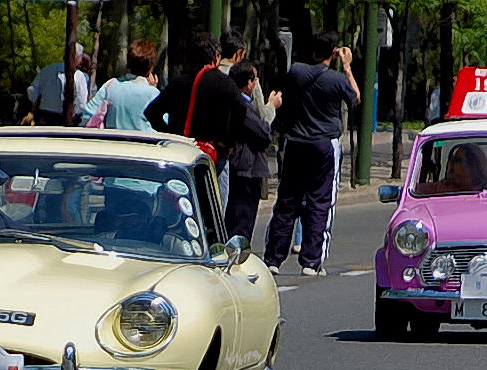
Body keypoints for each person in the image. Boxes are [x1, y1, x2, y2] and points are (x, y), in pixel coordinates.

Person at [262, 31, 360, 277]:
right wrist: (347, 67)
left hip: (296, 142)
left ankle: (273, 258)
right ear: (334, 52)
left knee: (287, 201)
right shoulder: (337, 79)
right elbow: (356, 99)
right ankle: (311, 261)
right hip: (325, 144)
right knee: (320, 202)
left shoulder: (297, 71)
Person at [144, 31, 245, 208]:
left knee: (180, 202)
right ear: (216, 56)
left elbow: (152, 112)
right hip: (213, 154)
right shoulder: (226, 84)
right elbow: (241, 110)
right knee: (213, 204)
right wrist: (229, 142)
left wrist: (171, 135)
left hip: (181, 151)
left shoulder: (179, 83)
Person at [226, 61, 279, 240]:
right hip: (246, 169)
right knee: (242, 222)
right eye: (255, 80)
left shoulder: (239, 102)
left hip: (244, 168)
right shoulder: (241, 105)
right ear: (249, 83)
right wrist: (271, 106)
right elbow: (263, 131)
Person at [80, 40, 160, 131]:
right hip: (145, 140)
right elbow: (164, 124)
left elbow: (87, 116)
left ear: (128, 61)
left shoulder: (110, 86)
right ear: (151, 67)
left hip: (114, 139)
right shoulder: (153, 94)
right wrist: (152, 90)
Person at [217, 30, 277, 125]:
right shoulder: (249, 77)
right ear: (239, 53)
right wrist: (272, 105)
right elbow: (263, 118)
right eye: (243, 55)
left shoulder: (210, 74)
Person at [27, 45, 89, 125]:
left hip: (45, 116)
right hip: (69, 119)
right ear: (77, 57)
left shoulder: (46, 70)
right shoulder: (79, 76)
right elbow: (81, 102)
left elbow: (32, 91)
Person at [417, 144, 487, 194]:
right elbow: (417, 190)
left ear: (471, 166)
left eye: (457, 160)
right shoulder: (444, 186)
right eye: (452, 159)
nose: (451, 163)